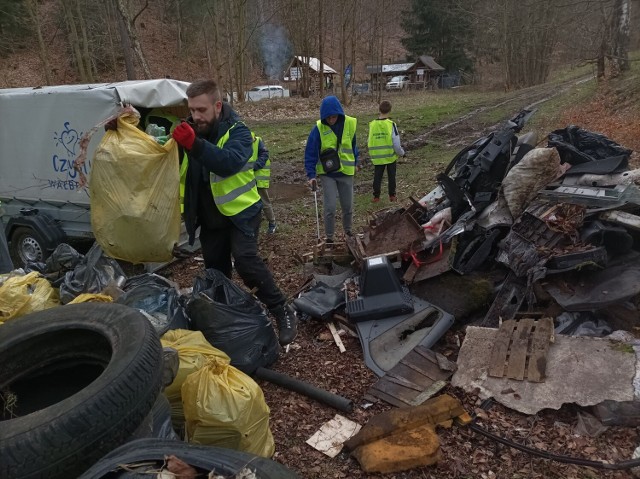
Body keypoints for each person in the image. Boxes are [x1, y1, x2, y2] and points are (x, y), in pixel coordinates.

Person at [171, 79, 297, 346]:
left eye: (202, 110)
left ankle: (282, 310)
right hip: (209, 217)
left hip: (242, 212)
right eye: (192, 109)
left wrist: (196, 146)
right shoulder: (189, 130)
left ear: (218, 105)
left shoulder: (239, 131)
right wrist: (126, 130)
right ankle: (226, 323)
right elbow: (159, 152)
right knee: (216, 274)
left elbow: (228, 163)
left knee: (245, 261)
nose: (196, 116)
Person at [304, 95, 358, 243]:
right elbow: (310, 152)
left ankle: (348, 232)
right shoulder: (318, 129)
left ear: (339, 114)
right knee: (330, 208)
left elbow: (353, 146)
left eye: (334, 117)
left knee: (348, 206)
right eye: (328, 118)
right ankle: (329, 237)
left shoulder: (349, 124)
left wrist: (356, 162)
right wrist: (311, 175)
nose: (331, 120)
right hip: (328, 174)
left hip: (346, 172)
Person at [367, 100, 405, 203]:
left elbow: (369, 141)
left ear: (379, 109)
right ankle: (392, 196)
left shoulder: (372, 124)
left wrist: (372, 154)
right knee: (391, 176)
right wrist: (402, 153)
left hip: (377, 156)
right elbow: (396, 143)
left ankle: (376, 197)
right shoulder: (391, 124)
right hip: (390, 156)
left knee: (377, 177)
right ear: (390, 110)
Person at [251, 135, 277, 234]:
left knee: (264, 202)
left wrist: (255, 166)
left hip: (258, 177)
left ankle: (272, 223)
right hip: (247, 178)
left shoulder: (257, 141)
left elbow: (265, 154)